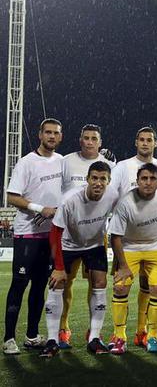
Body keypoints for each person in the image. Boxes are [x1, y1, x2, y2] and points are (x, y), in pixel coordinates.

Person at [40, 161, 119, 356]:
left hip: (95, 244)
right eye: (94, 178)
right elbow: (55, 232)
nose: (98, 183)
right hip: (68, 245)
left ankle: (94, 338)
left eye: (103, 179)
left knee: (100, 283)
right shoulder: (70, 200)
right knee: (57, 283)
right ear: (87, 179)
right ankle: (52, 340)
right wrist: (58, 267)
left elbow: (121, 220)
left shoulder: (113, 196)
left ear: (109, 181)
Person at [3, 119, 63, 355]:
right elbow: (12, 197)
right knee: (19, 284)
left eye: (55, 133)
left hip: (50, 235)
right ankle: (8, 338)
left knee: (40, 286)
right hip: (27, 234)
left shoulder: (62, 162)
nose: (51, 136)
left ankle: (31, 335)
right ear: (40, 135)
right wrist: (40, 208)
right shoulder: (27, 163)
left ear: (60, 137)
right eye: (47, 132)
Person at [107, 163, 157, 354]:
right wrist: (122, 265)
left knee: (156, 288)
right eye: (144, 179)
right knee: (120, 287)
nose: (148, 183)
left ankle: (149, 335)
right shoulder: (126, 202)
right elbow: (115, 237)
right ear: (137, 181)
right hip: (130, 247)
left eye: (152, 179)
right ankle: (119, 336)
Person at [57, 124, 116, 349]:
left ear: (100, 142)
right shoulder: (66, 161)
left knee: (97, 283)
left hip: (96, 236)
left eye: (94, 138)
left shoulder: (109, 165)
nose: (89, 142)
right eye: (86, 138)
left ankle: (94, 331)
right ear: (80, 140)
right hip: (69, 235)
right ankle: (63, 328)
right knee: (65, 281)